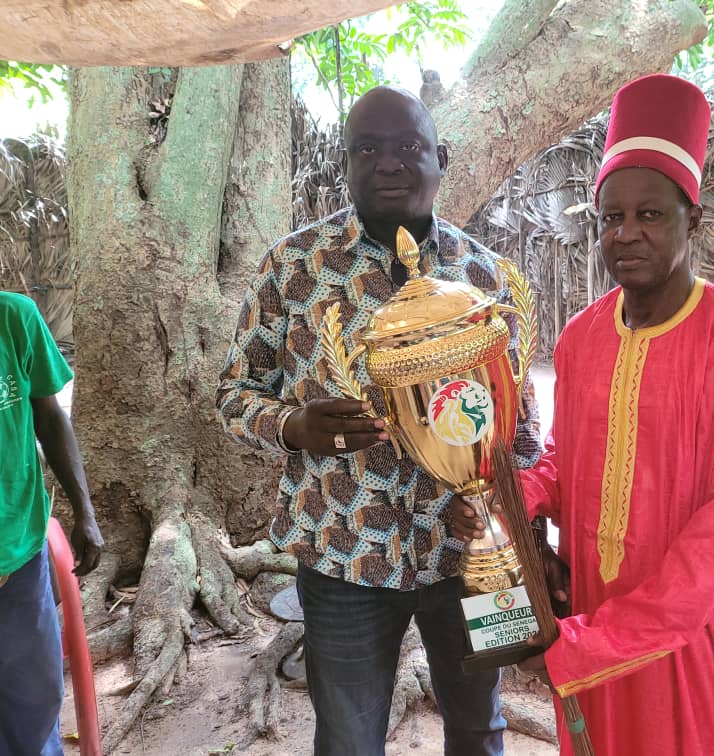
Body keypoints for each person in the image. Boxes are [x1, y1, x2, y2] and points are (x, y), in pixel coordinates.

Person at [452, 74, 714, 756]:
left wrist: (586, 644)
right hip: (593, 609)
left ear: (692, 219)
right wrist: (509, 502)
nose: (627, 233)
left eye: (651, 215)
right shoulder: (582, 338)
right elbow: (569, 455)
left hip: (703, 641)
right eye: (613, 217)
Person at [215, 86, 540, 756]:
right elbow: (233, 394)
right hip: (344, 559)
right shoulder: (293, 266)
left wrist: (501, 514)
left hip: (470, 561)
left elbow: (525, 433)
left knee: (482, 730)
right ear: (346, 162)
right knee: (347, 740)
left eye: (407, 147)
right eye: (368, 148)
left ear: (440, 158)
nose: (387, 163)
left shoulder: (486, 274)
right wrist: (295, 426)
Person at [0, 291, 105, 756]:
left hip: (19, 552)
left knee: (35, 708)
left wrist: (85, 511)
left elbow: (49, 415)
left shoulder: (14, 317)